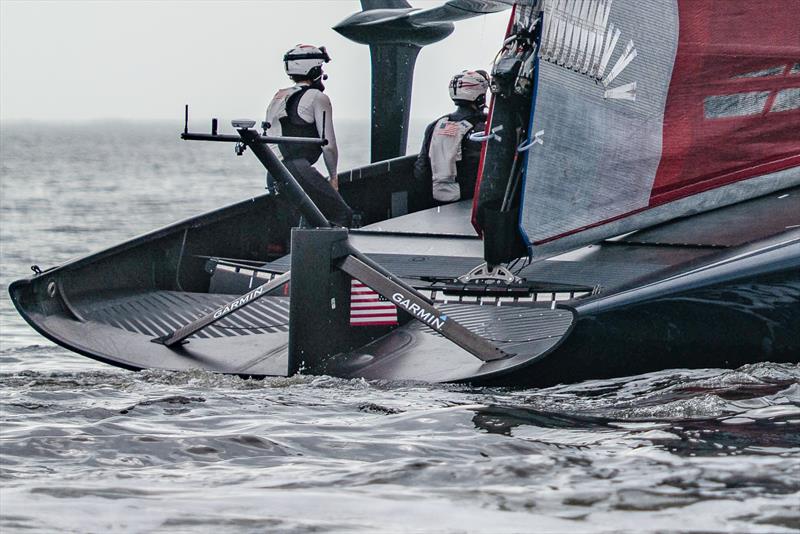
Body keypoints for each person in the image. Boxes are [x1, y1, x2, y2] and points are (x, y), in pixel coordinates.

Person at [264, 44, 352, 227]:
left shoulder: (279, 96)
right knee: (341, 214)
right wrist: (333, 177)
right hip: (296, 170)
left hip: (272, 173)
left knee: (298, 224)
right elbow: (328, 145)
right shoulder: (317, 97)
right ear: (314, 68)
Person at [413, 70, 490, 205]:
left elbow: (421, 168)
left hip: (435, 203)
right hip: (467, 202)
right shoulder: (481, 130)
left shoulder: (435, 126)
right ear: (480, 97)